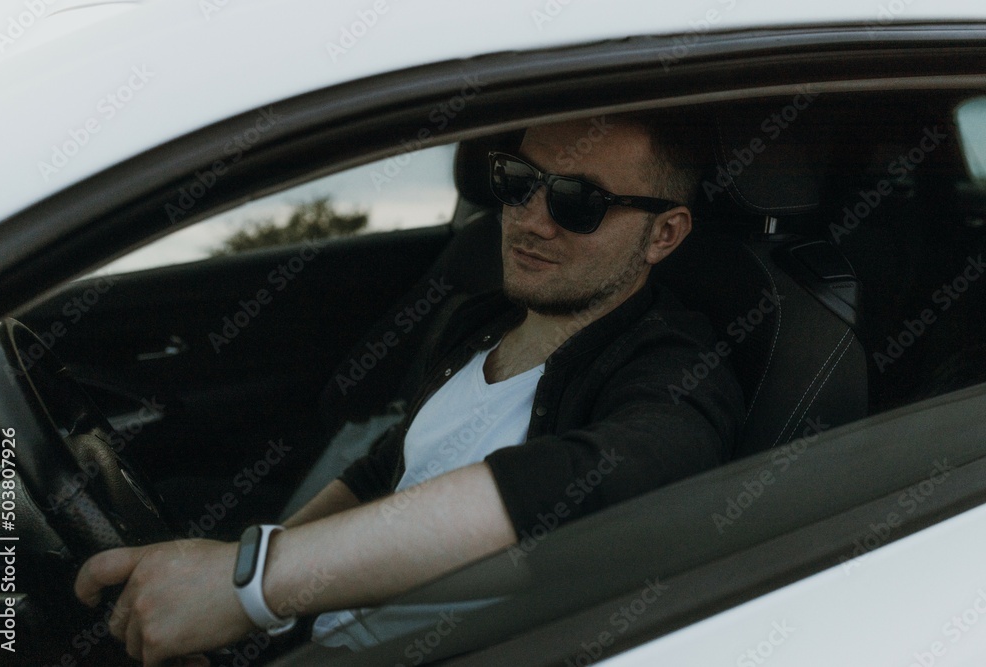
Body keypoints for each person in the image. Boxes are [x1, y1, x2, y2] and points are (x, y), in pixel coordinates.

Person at [74, 113, 744, 665]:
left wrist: (253, 586)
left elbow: (618, 474)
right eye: (518, 181)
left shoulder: (674, 365)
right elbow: (385, 470)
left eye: (578, 201)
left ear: (664, 233)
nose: (532, 219)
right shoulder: (480, 320)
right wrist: (246, 586)